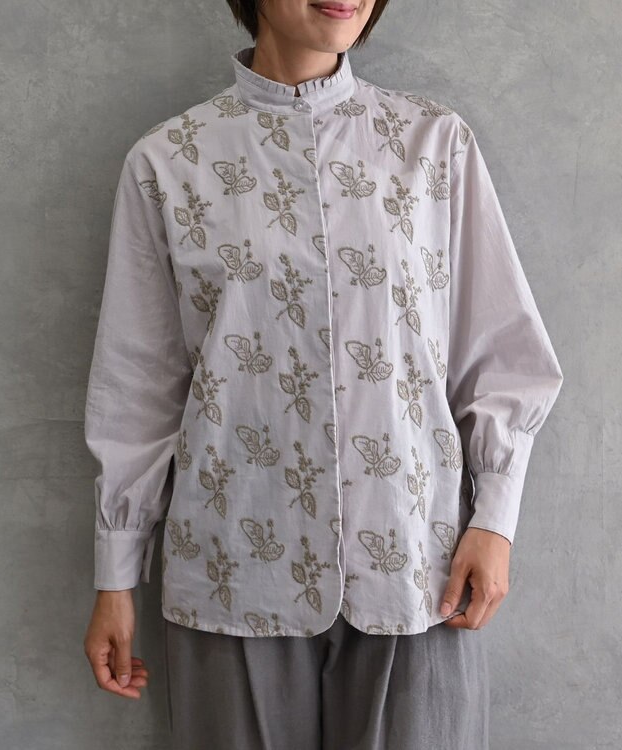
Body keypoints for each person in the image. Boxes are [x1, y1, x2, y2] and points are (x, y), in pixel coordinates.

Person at [83, 1, 564, 748]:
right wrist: (115, 574)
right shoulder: (170, 160)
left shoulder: (432, 144)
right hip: (233, 563)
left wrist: (494, 520)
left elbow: (501, 354)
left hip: (418, 562)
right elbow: (138, 386)